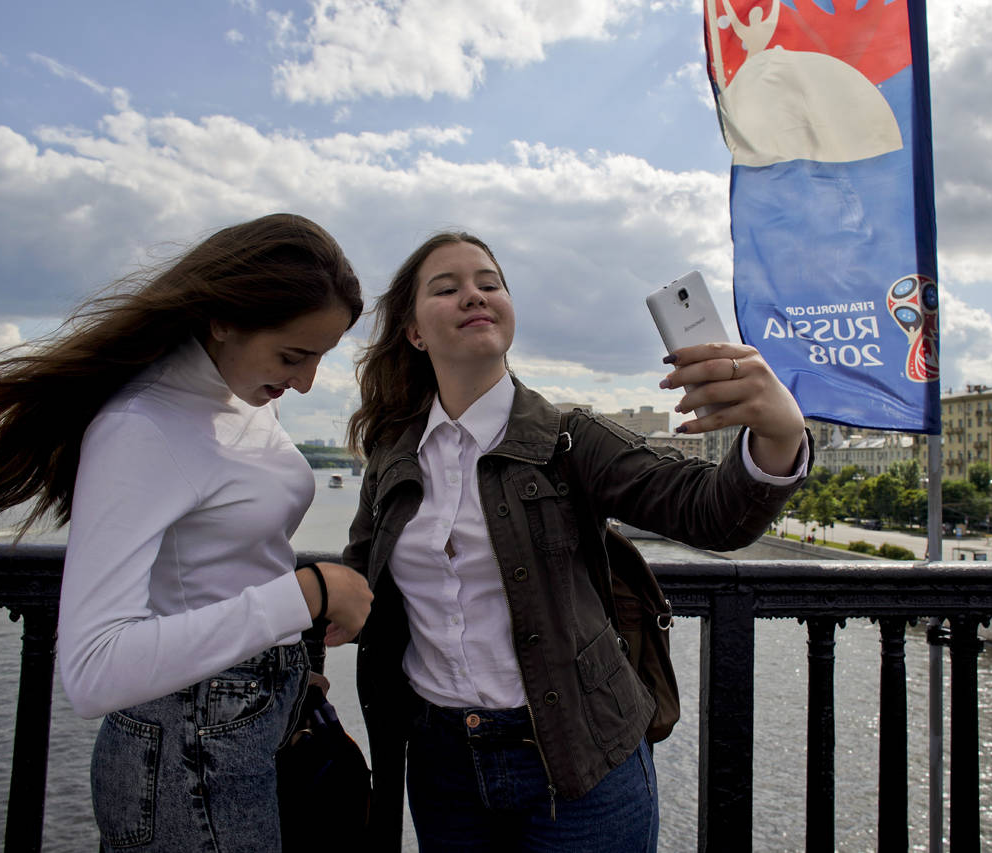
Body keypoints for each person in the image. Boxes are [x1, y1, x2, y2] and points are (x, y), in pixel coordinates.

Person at [0, 213, 373, 852]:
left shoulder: (234, 398)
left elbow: (223, 556)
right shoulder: (143, 427)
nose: (304, 382)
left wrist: (280, 670)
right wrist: (304, 594)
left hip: (244, 722)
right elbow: (95, 670)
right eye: (293, 355)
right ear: (222, 319)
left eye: (319, 357)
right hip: (189, 755)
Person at [340, 231, 812, 851]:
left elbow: (712, 516)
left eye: (490, 283)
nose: (474, 296)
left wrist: (778, 434)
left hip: (579, 760)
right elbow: (359, 577)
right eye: (447, 288)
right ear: (414, 333)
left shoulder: (569, 438)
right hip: (442, 762)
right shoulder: (394, 452)